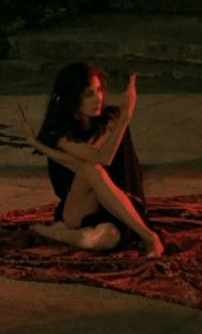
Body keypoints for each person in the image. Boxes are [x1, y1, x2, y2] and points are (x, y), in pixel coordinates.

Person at [18, 62, 164, 257]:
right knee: (91, 169)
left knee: (108, 238)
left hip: (117, 199)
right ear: (72, 98)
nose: (98, 99)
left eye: (99, 90)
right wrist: (126, 118)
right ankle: (149, 237)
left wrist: (39, 145)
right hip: (80, 205)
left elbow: (101, 155)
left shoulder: (111, 117)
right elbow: (101, 158)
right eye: (89, 94)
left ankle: (62, 234)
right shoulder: (60, 134)